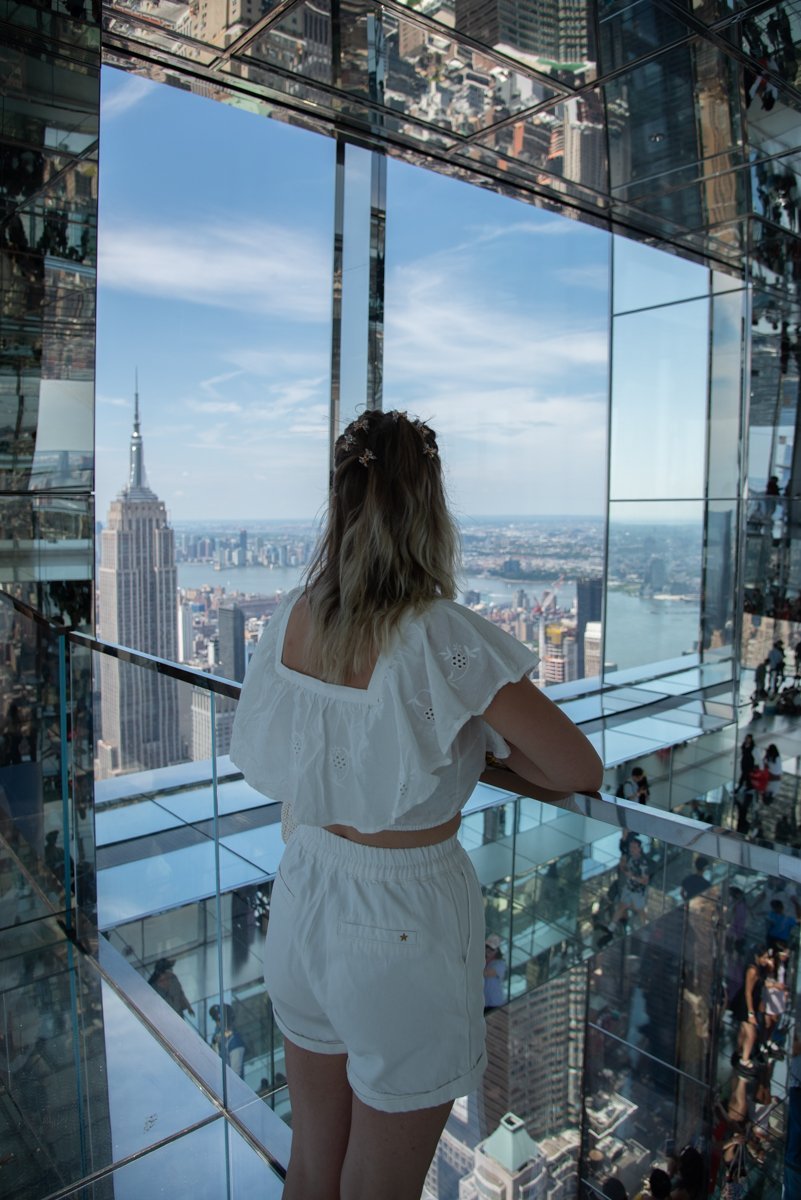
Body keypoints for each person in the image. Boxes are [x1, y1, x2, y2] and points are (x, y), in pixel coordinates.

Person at [229, 410, 602, 1200]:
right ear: (429, 510)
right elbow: (578, 768)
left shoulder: (298, 616)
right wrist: (476, 757)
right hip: (401, 918)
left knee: (312, 1166)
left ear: (341, 506)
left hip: (300, 895)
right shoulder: (440, 632)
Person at [613, 836, 650, 928]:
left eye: (634, 847)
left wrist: (632, 877)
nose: (631, 849)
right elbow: (624, 868)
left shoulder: (643, 862)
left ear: (639, 849)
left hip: (638, 892)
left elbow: (645, 881)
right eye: (630, 847)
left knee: (640, 910)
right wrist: (623, 867)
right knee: (621, 907)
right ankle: (611, 927)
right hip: (628, 888)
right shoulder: (630, 858)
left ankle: (646, 929)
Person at [209, 1003, 246, 1077]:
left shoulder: (235, 1043)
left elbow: (235, 1075)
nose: (217, 1024)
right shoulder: (218, 1035)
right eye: (216, 1020)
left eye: (219, 1021)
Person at [483, 933, 507, 1011]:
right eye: (487, 947)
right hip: (483, 1002)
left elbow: (488, 973)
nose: (488, 950)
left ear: (497, 950)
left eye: (492, 949)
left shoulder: (500, 963)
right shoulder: (483, 960)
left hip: (494, 1004)